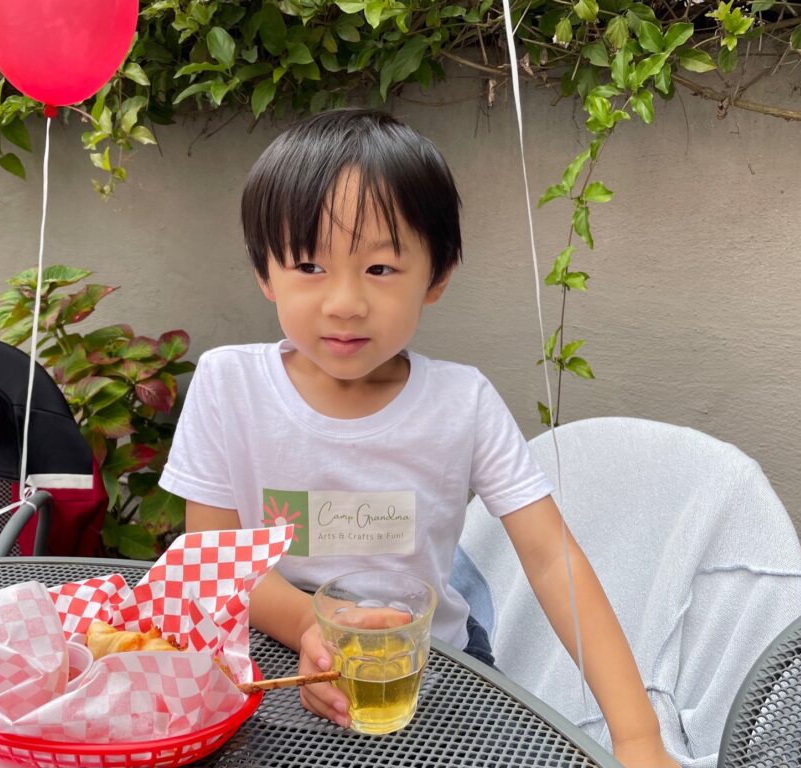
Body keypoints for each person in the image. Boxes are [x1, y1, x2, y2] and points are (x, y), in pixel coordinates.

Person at [160, 108, 677, 767]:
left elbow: (554, 561)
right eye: (309, 266)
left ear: (438, 276)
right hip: (276, 659)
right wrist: (311, 630)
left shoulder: (462, 403)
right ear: (266, 272)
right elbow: (213, 558)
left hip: (436, 674)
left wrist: (639, 739)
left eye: (380, 269)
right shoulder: (229, 384)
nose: (344, 302)